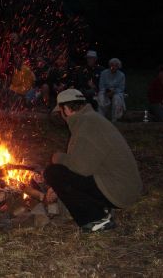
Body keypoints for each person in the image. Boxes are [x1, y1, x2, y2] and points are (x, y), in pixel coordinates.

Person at [44, 89, 142, 232]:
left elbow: (80, 168)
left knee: (53, 172)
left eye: (60, 112)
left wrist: (57, 158)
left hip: (120, 191)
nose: (61, 116)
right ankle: (100, 208)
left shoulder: (88, 124)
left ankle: (95, 219)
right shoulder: (89, 119)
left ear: (65, 109)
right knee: (63, 173)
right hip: (120, 186)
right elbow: (84, 164)